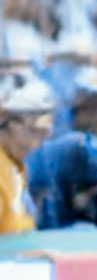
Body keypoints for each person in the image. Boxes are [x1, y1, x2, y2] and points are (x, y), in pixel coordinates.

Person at [0, 80, 54, 234]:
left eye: (43, 135)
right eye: (31, 131)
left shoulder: (14, 163)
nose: (35, 144)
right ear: (6, 123)